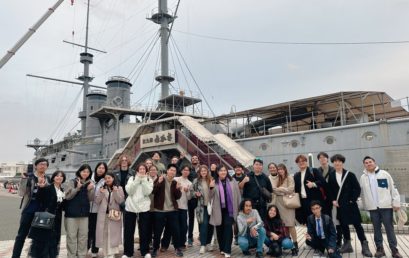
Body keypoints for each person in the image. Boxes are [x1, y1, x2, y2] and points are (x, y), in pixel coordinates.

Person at [327, 154, 372, 256]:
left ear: (342, 162)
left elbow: (357, 188)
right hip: (339, 205)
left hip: (351, 205)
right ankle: (347, 245)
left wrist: (352, 200)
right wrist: (333, 200)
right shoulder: (331, 175)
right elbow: (329, 190)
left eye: (339, 161)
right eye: (335, 161)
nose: (337, 163)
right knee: (344, 225)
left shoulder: (350, 174)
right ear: (333, 163)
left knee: (357, 225)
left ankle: (365, 246)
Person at [360, 156, 403, 258]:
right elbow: (362, 194)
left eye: (370, 162)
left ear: (374, 163)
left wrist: (396, 202)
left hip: (386, 207)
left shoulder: (384, 174)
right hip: (373, 208)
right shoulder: (363, 177)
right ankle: (380, 249)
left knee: (389, 229)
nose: (368, 164)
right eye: (366, 163)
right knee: (376, 229)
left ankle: (394, 250)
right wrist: (365, 205)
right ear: (364, 165)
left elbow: (393, 189)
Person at [12, 158, 50, 258]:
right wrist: (24, 179)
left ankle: (33, 255)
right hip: (28, 210)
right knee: (21, 236)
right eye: (41, 164)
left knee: (38, 237)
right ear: (36, 166)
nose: (43, 166)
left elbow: (50, 195)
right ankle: (15, 256)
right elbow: (21, 193)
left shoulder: (48, 179)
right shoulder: (29, 177)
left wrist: (45, 187)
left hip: (42, 213)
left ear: (47, 167)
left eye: (45, 164)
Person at [28, 170, 66, 258]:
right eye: (57, 176)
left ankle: (52, 255)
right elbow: (39, 199)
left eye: (61, 176)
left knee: (54, 239)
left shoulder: (62, 190)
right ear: (53, 178)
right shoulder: (48, 188)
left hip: (57, 218)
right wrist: (41, 188)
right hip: (47, 216)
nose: (59, 177)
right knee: (43, 239)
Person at [152, 164, 184, 257]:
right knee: (158, 231)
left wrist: (178, 189)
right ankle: (155, 249)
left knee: (176, 230)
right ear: (167, 171)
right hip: (159, 210)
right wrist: (158, 183)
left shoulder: (175, 182)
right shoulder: (160, 179)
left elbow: (177, 197)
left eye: (174, 171)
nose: (172, 172)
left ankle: (177, 248)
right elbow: (153, 191)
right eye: (171, 170)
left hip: (172, 210)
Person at [209, 165, 241, 258]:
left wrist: (239, 207)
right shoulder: (214, 182)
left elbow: (238, 195)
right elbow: (209, 197)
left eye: (224, 170)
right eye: (221, 170)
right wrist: (211, 188)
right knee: (219, 230)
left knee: (228, 228)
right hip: (218, 209)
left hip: (230, 210)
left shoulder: (232, 181)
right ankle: (222, 248)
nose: (223, 172)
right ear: (217, 172)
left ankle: (227, 250)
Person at [123, 164, 153, 258]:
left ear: (146, 170)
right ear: (137, 170)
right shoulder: (131, 178)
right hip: (130, 208)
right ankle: (128, 253)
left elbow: (147, 192)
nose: (142, 170)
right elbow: (129, 191)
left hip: (144, 209)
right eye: (140, 168)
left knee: (144, 231)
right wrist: (137, 180)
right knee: (128, 231)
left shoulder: (149, 179)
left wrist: (143, 180)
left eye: (144, 169)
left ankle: (145, 252)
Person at [64, 164, 95, 258]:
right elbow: (67, 196)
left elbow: (91, 198)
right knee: (71, 237)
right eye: (84, 171)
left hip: (84, 214)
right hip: (71, 215)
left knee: (83, 237)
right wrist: (77, 188)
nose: (85, 173)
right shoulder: (71, 182)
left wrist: (90, 190)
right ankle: (71, 255)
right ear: (79, 172)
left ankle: (81, 255)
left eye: (88, 172)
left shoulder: (90, 183)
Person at [95, 172, 125, 258]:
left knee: (113, 234)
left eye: (109, 178)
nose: (107, 180)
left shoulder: (119, 188)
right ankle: (105, 253)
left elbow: (120, 201)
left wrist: (115, 192)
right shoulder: (102, 188)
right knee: (104, 234)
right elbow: (97, 201)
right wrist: (101, 193)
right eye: (106, 178)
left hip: (114, 215)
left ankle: (112, 253)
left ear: (113, 178)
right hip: (103, 215)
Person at [273, 164, 299, 256]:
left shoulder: (289, 177)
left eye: (281, 169)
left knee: (291, 224)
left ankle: (296, 244)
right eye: (278, 169)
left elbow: (291, 189)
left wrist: (281, 189)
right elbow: (274, 190)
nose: (280, 171)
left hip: (288, 203)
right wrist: (284, 190)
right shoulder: (277, 179)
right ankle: (288, 242)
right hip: (279, 203)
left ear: (285, 169)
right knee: (283, 224)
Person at [293, 154, 327, 225]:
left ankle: (323, 235)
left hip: (314, 201)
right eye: (299, 162)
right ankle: (311, 235)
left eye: (303, 161)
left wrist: (313, 184)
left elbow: (323, 182)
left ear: (306, 162)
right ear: (297, 164)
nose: (301, 163)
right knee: (308, 222)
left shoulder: (313, 171)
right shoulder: (296, 175)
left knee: (319, 221)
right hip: (303, 202)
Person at [191, 165, 214, 254]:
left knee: (211, 225)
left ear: (207, 172)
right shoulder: (196, 181)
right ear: (199, 172)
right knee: (203, 225)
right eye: (202, 171)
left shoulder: (211, 180)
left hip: (211, 206)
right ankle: (203, 245)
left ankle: (208, 243)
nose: (203, 172)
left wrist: (212, 187)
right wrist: (195, 194)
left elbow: (215, 192)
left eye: (205, 171)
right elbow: (191, 191)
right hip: (201, 206)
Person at [88, 162, 107, 257]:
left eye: (103, 168)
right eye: (99, 167)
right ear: (96, 168)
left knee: (97, 231)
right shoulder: (89, 178)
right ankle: (84, 248)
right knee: (87, 231)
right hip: (87, 209)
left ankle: (95, 250)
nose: (101, 169)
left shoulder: (105, 181)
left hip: (98, 210)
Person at [174, 165, 193, 248]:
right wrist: (176, 188)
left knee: (184, 226)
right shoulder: (176, 179)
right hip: (174, 207)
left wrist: (187, 191)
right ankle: (175, 243)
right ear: (181, 171)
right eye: (184, 170)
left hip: (184, 207)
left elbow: (189, 198)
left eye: (187, 170)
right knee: (175, 226)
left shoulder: (190, 183)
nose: (186, 171)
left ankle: (182, 243)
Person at [187, 154, 200, 246]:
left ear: (198, 160)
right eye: (193, 158)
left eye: (196, 158)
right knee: (191, 218)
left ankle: (200, 236)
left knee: (200, 218)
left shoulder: (202, 169)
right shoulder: (189, 169)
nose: (194, 159)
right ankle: (190, 238)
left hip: (200, 196)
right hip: (191, 197)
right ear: (191, 160)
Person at [232, 164, 246, 244]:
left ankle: (245, 236)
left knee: (245, 218)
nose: (238, 169)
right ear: (234, 169)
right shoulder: (231, 178)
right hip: (235, 201)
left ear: (242, 169)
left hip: (245, 200)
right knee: (236, 220)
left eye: (239, 168)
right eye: (236, 168)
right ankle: (236, 237)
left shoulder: (246, 177)